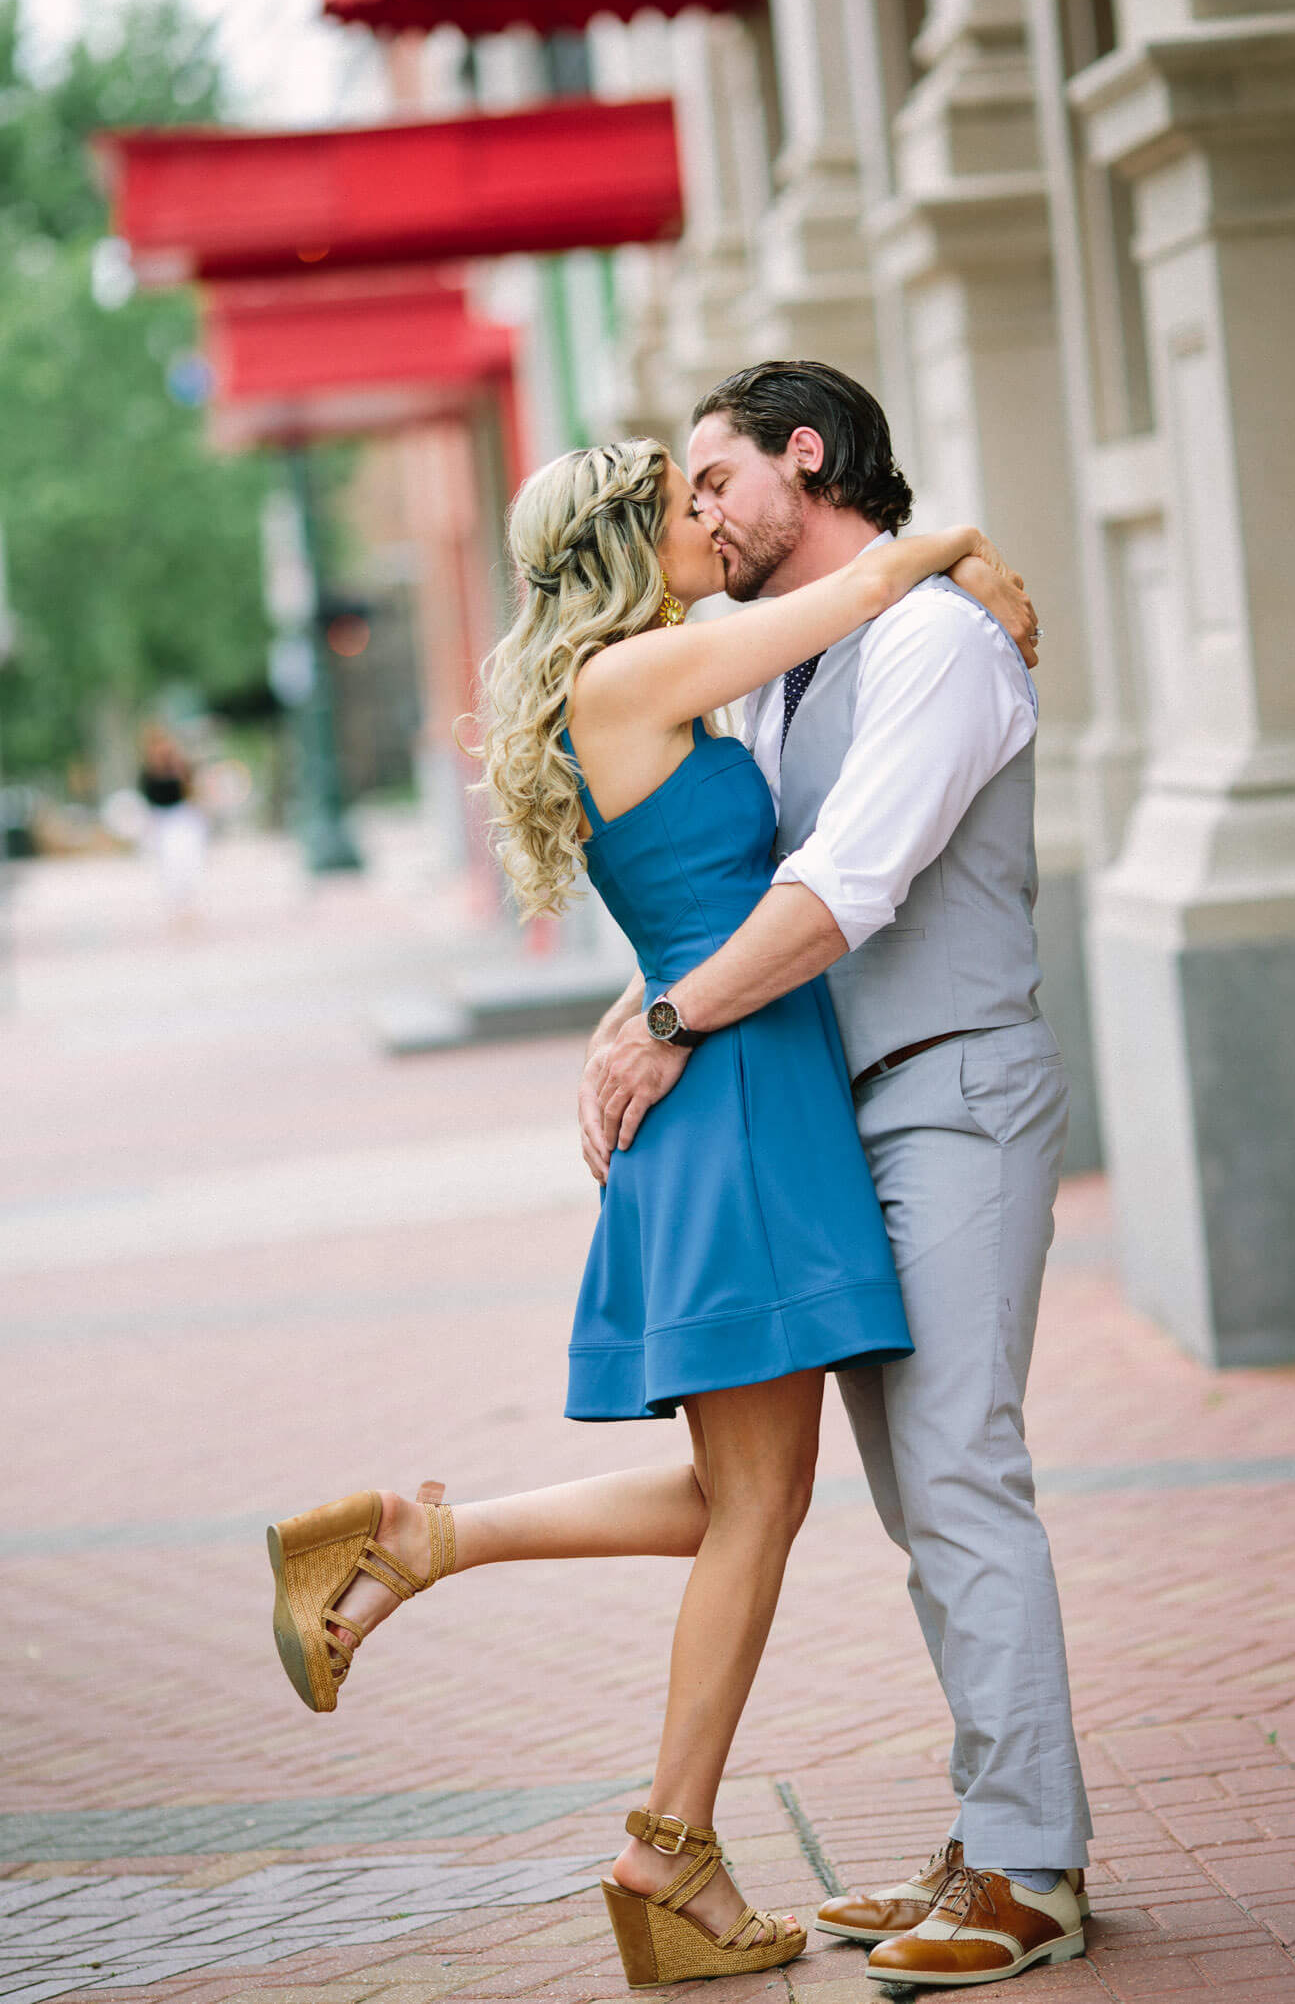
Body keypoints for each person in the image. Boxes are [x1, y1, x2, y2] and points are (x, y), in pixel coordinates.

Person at [265, 436, 1031, 1992]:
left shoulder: (630, 684)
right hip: (741, 1102)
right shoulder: (642, 674)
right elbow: (865, 584)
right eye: (684, 502)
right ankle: (665, 1851)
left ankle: (418, 1538)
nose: (712, 517)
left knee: (741, 1486)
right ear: (629, 537)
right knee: (756, 1502)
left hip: (742, 1095)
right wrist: (959, 542)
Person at [584, 362, 1093, 1990]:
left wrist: (672, 1017)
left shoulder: (934, 641)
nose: (701, 510)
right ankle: (993, 1829)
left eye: (718, 476)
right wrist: (643, 993)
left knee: (958, 1476)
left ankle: (1030, 1868)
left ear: (808, 460)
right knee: (912, 1494)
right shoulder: (803, 670)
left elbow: (849, 888)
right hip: (842, 1111)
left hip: (951, 1085)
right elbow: (760, 878)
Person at [137, 723, 208, 927]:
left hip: (183, 817)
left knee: (189, 861)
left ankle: (188, 904)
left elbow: (192, 792)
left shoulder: (181, 767)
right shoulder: (148, 772)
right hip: (163, 821)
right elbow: (148, 800)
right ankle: (176, 906)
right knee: (170, 864)